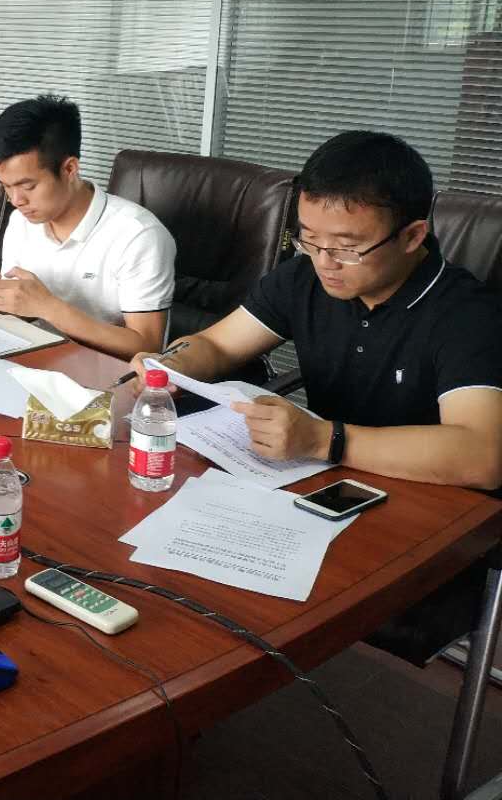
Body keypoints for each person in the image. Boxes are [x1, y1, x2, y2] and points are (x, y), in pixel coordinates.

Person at [127, 130, 502, 663]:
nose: (325, 261)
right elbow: (218, 344)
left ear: (413, 235)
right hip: (315, 488)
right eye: (309, 239)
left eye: (347, 247)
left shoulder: (466, 315)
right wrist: (172, 363)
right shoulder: (304, 279)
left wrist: (327, 439)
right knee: (155, 551)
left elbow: (482, 455)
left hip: (423, 519)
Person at [0, 95, 175, 358]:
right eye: (6, 187)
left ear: (69, 169)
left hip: (103, 372)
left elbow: (147, 346)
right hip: (34, 358)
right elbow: (23, 315)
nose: (16, 200)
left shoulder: (138, 235)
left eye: (28, 186)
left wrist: (48, 307)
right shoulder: (21, 221)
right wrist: (1, 296)